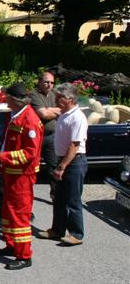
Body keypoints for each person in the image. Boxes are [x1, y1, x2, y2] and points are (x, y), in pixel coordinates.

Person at [0, 83, 43, 270]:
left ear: (15, 100)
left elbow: (30, 153)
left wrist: (2, 157)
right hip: (10, 173)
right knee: (8, 211)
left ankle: (24, 256)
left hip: (21, 177)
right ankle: (12, 245)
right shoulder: (16, 116)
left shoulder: (29, 121)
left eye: (8, 99)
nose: (5, 101)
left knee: (19, 214)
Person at [37, 83, 89, 246]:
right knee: (59, 198)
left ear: (71, 99)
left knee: (73, 199)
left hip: (73, 162)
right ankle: (57, 229)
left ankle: (76, 234)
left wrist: (62, 167)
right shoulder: (64, 114)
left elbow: (74, 145)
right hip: (63, 160)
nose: (57, 100)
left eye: (60, 98)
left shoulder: (77, 117)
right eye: (57, 97)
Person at [29, 71, 61, 197]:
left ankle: (55, 194)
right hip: (36, 138)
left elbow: (63, 109)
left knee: (53, 167)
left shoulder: (53, 94)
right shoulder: (34, 94)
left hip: (51, 137)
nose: (49, 85)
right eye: (46, 82)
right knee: (31, 167)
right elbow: (43, 114)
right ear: (39, 82)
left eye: (52, 82)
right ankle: (26, 193)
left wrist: (49, 110)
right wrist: (54, 111)